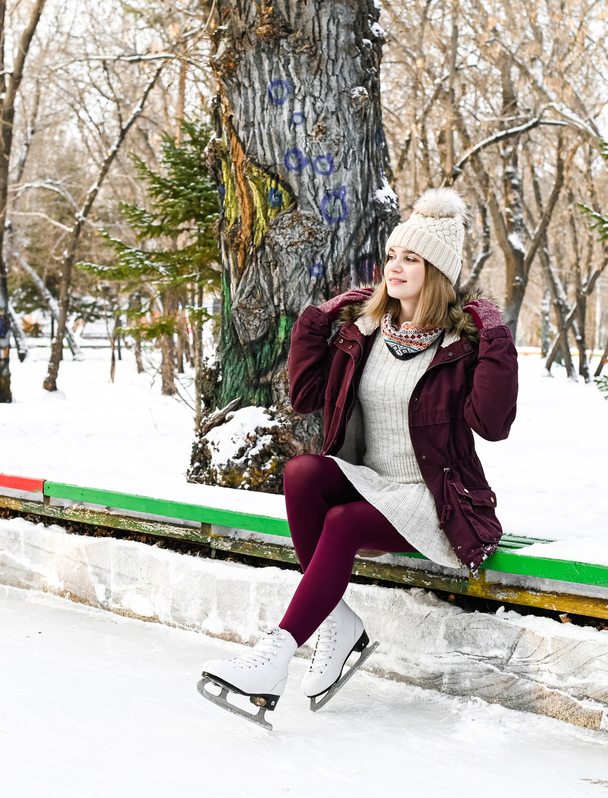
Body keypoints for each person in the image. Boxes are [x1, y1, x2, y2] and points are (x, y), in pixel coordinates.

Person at [198, 187, 519, 728]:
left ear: (435, 272)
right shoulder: (365, 332)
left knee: (343, 523)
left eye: (411, 259)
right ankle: (337, 622)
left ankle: (274, 660)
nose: (394, 266)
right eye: (393, 255)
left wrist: (494, 334)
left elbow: (493, 425)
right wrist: (316, 320)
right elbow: (303, 397)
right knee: (302, 472)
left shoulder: (458, 347)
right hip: (374, 482)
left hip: (434, 502)